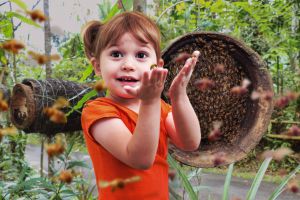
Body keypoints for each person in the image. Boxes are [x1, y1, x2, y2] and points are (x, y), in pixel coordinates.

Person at [81, 11, 201, 200]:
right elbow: (140, 159)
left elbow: (190, 142)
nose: (128, 64)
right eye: (116, 54)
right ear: (97, 67)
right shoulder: (97, 111)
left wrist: (178, 95)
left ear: (157, 65)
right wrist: (150, 101)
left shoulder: (159, 107)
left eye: (141, 55)